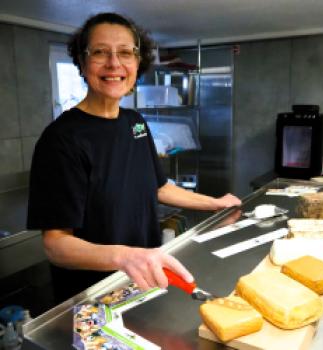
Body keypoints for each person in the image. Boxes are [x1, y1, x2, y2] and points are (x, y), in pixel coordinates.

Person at [27, 12, 241, 304]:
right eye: (100, 52)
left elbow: (158, 186)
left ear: (138, 62)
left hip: (143, 282)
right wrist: (126, 257)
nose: (114, 64)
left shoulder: (134, 122)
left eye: (126, 52)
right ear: (82, 60)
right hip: (93, 296)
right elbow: (56, 245)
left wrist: (214, 204)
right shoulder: (62, 139)